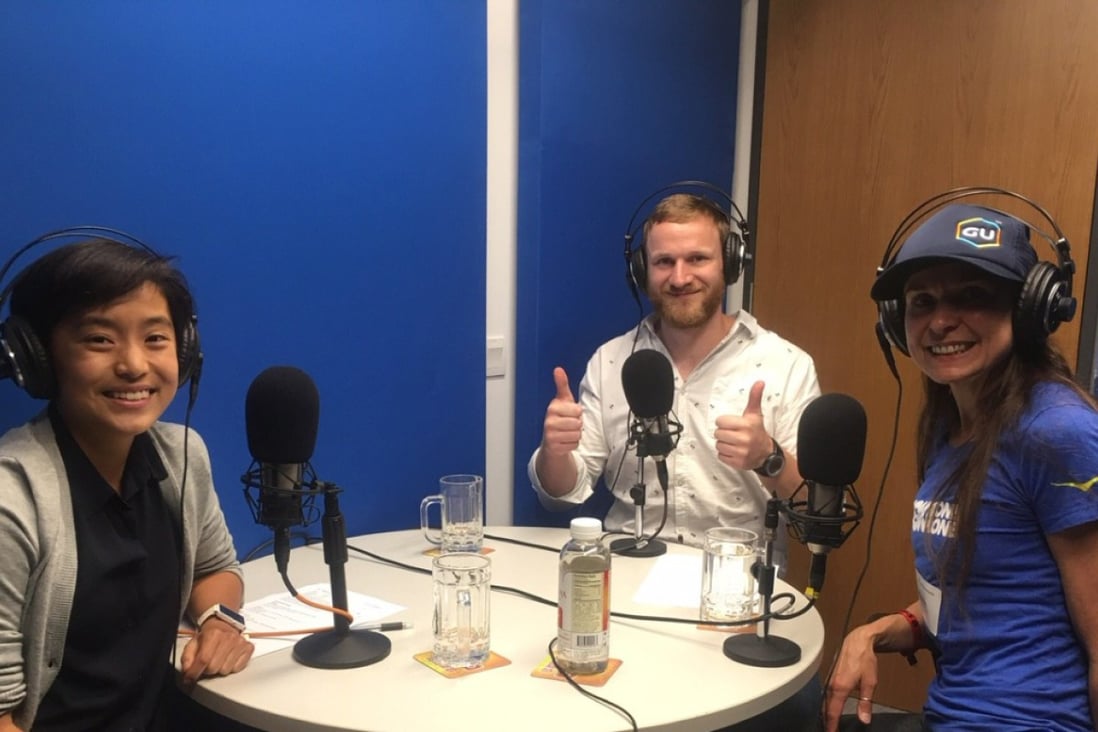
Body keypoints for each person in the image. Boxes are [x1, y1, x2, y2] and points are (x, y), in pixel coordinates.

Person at [824, 202, 1098, 731]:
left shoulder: (1058, 432)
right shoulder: (952, 430)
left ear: (1029, 309)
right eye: (921, 301)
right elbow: (981, 599)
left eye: (972, 296)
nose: (941, 320)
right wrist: (877, 630)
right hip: (953, 712)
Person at [0, 238, 254, 731]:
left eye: (156, 338)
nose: (135, 364)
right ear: (37, 359)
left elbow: (216, 566)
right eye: (100, 339)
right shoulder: (13, 500)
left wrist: (219, 619)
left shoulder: (182, 455)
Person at [529, 192, 820, 559]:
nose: (680, 278)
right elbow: (560, 496)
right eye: (664, 262)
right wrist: (554, 452)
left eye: (697, 258)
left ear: (730, 263)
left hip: (735, 579)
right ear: (641, 271)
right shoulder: (611, 361)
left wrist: (769, 458)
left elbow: (815, 513)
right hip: (626, 568)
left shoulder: (786, 364)